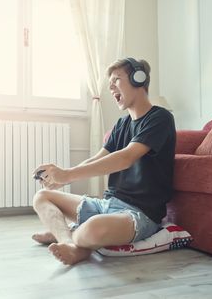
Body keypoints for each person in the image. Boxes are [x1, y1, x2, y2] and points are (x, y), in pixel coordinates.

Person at [31, 57, 176, 265]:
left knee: (91, 228)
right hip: (106, 204)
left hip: (139, 213)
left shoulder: (160, 118)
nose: (111, 88)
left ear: (138, 79)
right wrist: (63, 178)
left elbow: (125, 157)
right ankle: (70, 243)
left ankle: (72, 234)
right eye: (109, 85)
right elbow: (98, 158)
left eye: (116, 80)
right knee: (42, 197)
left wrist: (68, 174)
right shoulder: (122, 124)